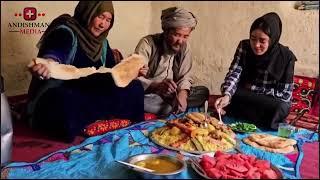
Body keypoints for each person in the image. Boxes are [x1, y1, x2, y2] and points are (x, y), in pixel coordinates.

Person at [26, 1, 145, 142]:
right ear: (88, 13)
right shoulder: (65, 32)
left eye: (108, 20)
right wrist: (47, 65)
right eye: (100, 17)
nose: (103, 25)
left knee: (135, 87)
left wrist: (131, 72)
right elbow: (55, 54)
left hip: (90, 90)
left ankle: (108, 120)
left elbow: (112, 73)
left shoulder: (102, 43)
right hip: (64, 89)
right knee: (65, 100)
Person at [214, 12, 297, 130]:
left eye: (262, 41)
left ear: (272, 39)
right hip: (246, 95)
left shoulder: (286, 57)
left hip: (268, 102)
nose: (256, 45)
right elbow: (234, 74)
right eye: (253, 39)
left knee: (282, 106)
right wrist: (227, 95)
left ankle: (242, 113)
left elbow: (285, 95)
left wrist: (253, 89)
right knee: (230, 91)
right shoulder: (244, 46)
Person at [135, 7, 209, 117]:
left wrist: (182, 95)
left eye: (185, 36)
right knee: (132, 96)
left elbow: (185, 76)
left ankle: (174, 104)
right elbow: (136, 79)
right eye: (177, 35)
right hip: (150, 93)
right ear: (166, 31)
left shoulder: (184, 46)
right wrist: (156, 86)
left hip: (171, 94)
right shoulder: (147, 43)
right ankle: (169, 107)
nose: (180, 41)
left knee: (203, 92)